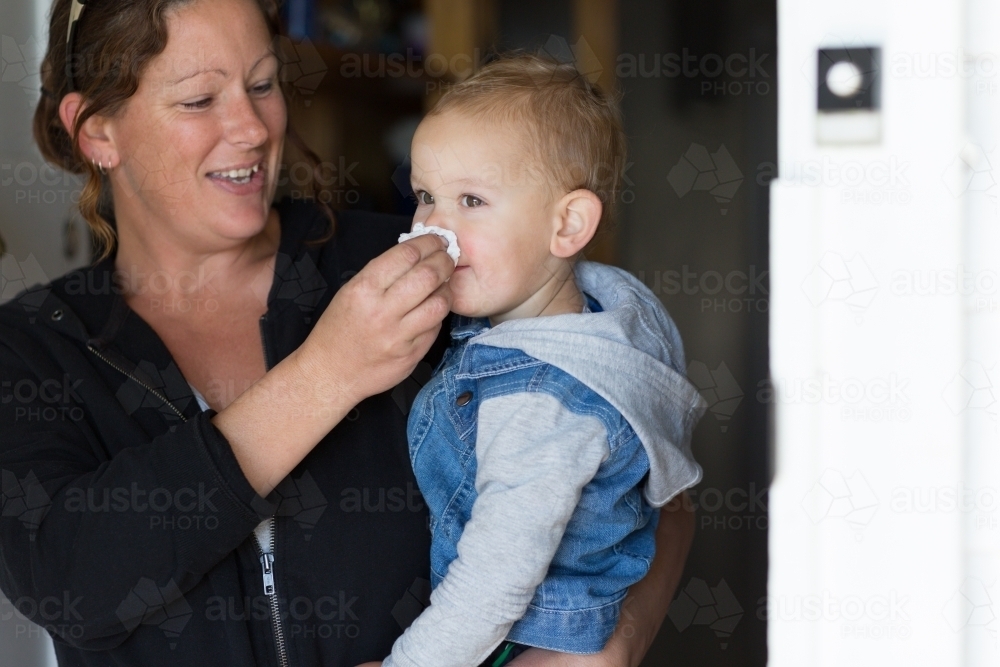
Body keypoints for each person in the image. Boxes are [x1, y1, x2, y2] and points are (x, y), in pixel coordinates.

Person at [0, 0, 695, 665]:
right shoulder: (35, 349)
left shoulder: (418, 265)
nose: (251, 127)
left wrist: (607, 649)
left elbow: (645, 476)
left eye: (263, 83)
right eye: (199, 99)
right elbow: (65, 579)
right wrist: (329, 373)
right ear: (97, 132)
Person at [365, 56, 704, 667]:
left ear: (567, 224)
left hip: (523, 642)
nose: (433, 228)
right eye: (424, 197)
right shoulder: (612, 312)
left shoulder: (537, 401)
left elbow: (493, 584)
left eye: (471, 199)